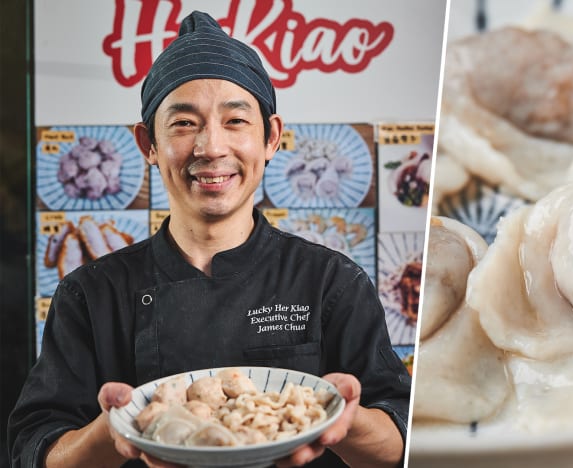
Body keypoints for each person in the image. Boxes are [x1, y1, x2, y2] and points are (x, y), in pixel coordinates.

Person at [8, 11, 410, 468]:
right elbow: (34, 450)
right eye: (183, 124)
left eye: (235, 121)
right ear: (148, 145)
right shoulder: (89, 293)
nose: (211, 147)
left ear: (271, 137)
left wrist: (342, 418)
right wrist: (112, 431)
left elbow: (400, 441)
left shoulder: (333, 282)